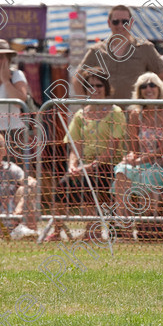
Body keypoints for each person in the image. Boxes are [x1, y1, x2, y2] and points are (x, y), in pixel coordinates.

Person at [51, 71, 126, 241]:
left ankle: (93, 230)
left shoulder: (115, 112)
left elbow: (112, 150)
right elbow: (75, 148)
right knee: (61, 187)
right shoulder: (79, 115)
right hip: (84, 166)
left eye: (99, 85)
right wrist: (72, 165)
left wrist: (90, 166)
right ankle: (56, 231)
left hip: (109, 165)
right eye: (90, 86)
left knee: (92, 182)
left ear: (106, 88)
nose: (95, 89)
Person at [114, 72, 163, 242]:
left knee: (149, 176)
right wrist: (131, 157)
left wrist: (141, 160)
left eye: (152, 85)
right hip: (140, 161)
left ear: (159, 88)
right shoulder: (135, 114)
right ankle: (124, 227)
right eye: (144, 86)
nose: (148, 89)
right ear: (139, 91)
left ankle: (146, 225)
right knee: (121, 171)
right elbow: (133, 146)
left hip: (160, 163)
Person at [74, 5, 163, 99]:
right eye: (116, 22)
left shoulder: (145, 48)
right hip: (106, 114)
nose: (120, 25)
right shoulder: (96, 50)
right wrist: (87, 106)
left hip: (135, 113)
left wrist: (159, 105)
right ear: (109, 23)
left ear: (131, 22)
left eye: (125, 21)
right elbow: (77, 79)